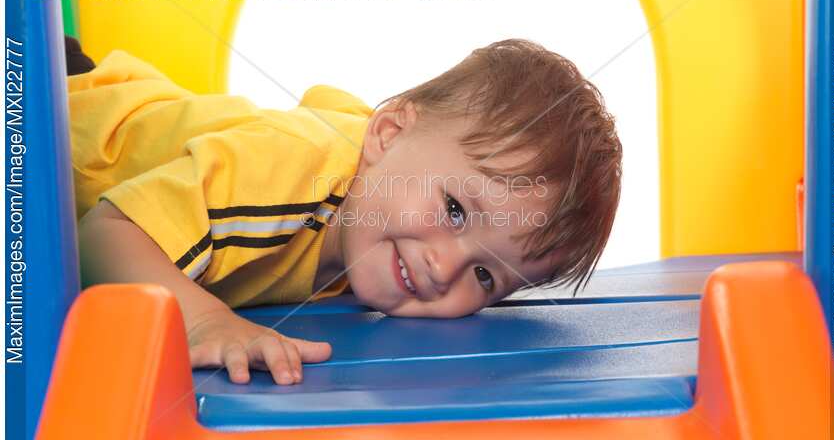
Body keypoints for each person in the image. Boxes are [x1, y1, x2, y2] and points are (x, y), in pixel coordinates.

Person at [68, 38, 622, 386]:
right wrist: (208, 324)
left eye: (485, 275)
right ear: (386, 133)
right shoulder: (291, 172)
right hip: (44, 117)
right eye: (455, 210)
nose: (444, 268)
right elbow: (104, 235)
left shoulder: (378, 215)